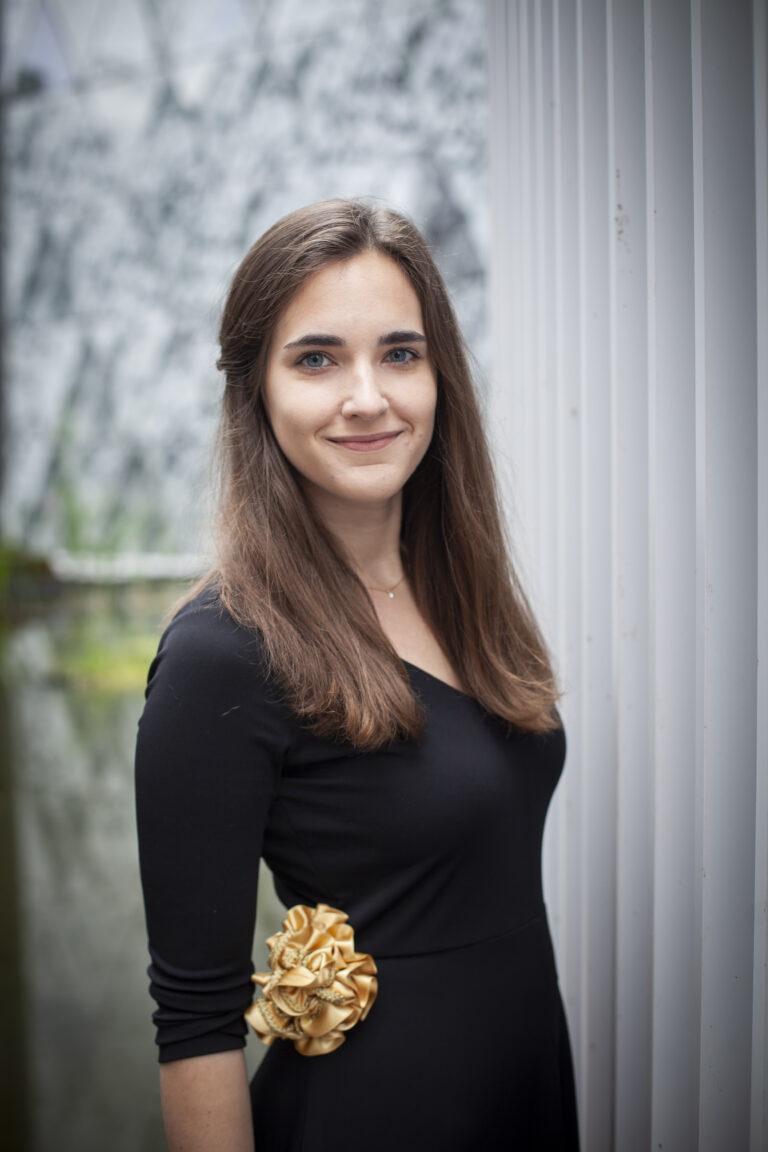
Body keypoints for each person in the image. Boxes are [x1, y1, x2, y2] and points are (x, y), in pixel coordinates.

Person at [135, 198, 579, 1151]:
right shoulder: (221, 653)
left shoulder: (462, 593)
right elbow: (197, 1021)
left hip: (525, 1100)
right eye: (317, 359)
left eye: (400, 353)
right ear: (255, 390)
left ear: (440, 373)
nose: (368, 396)